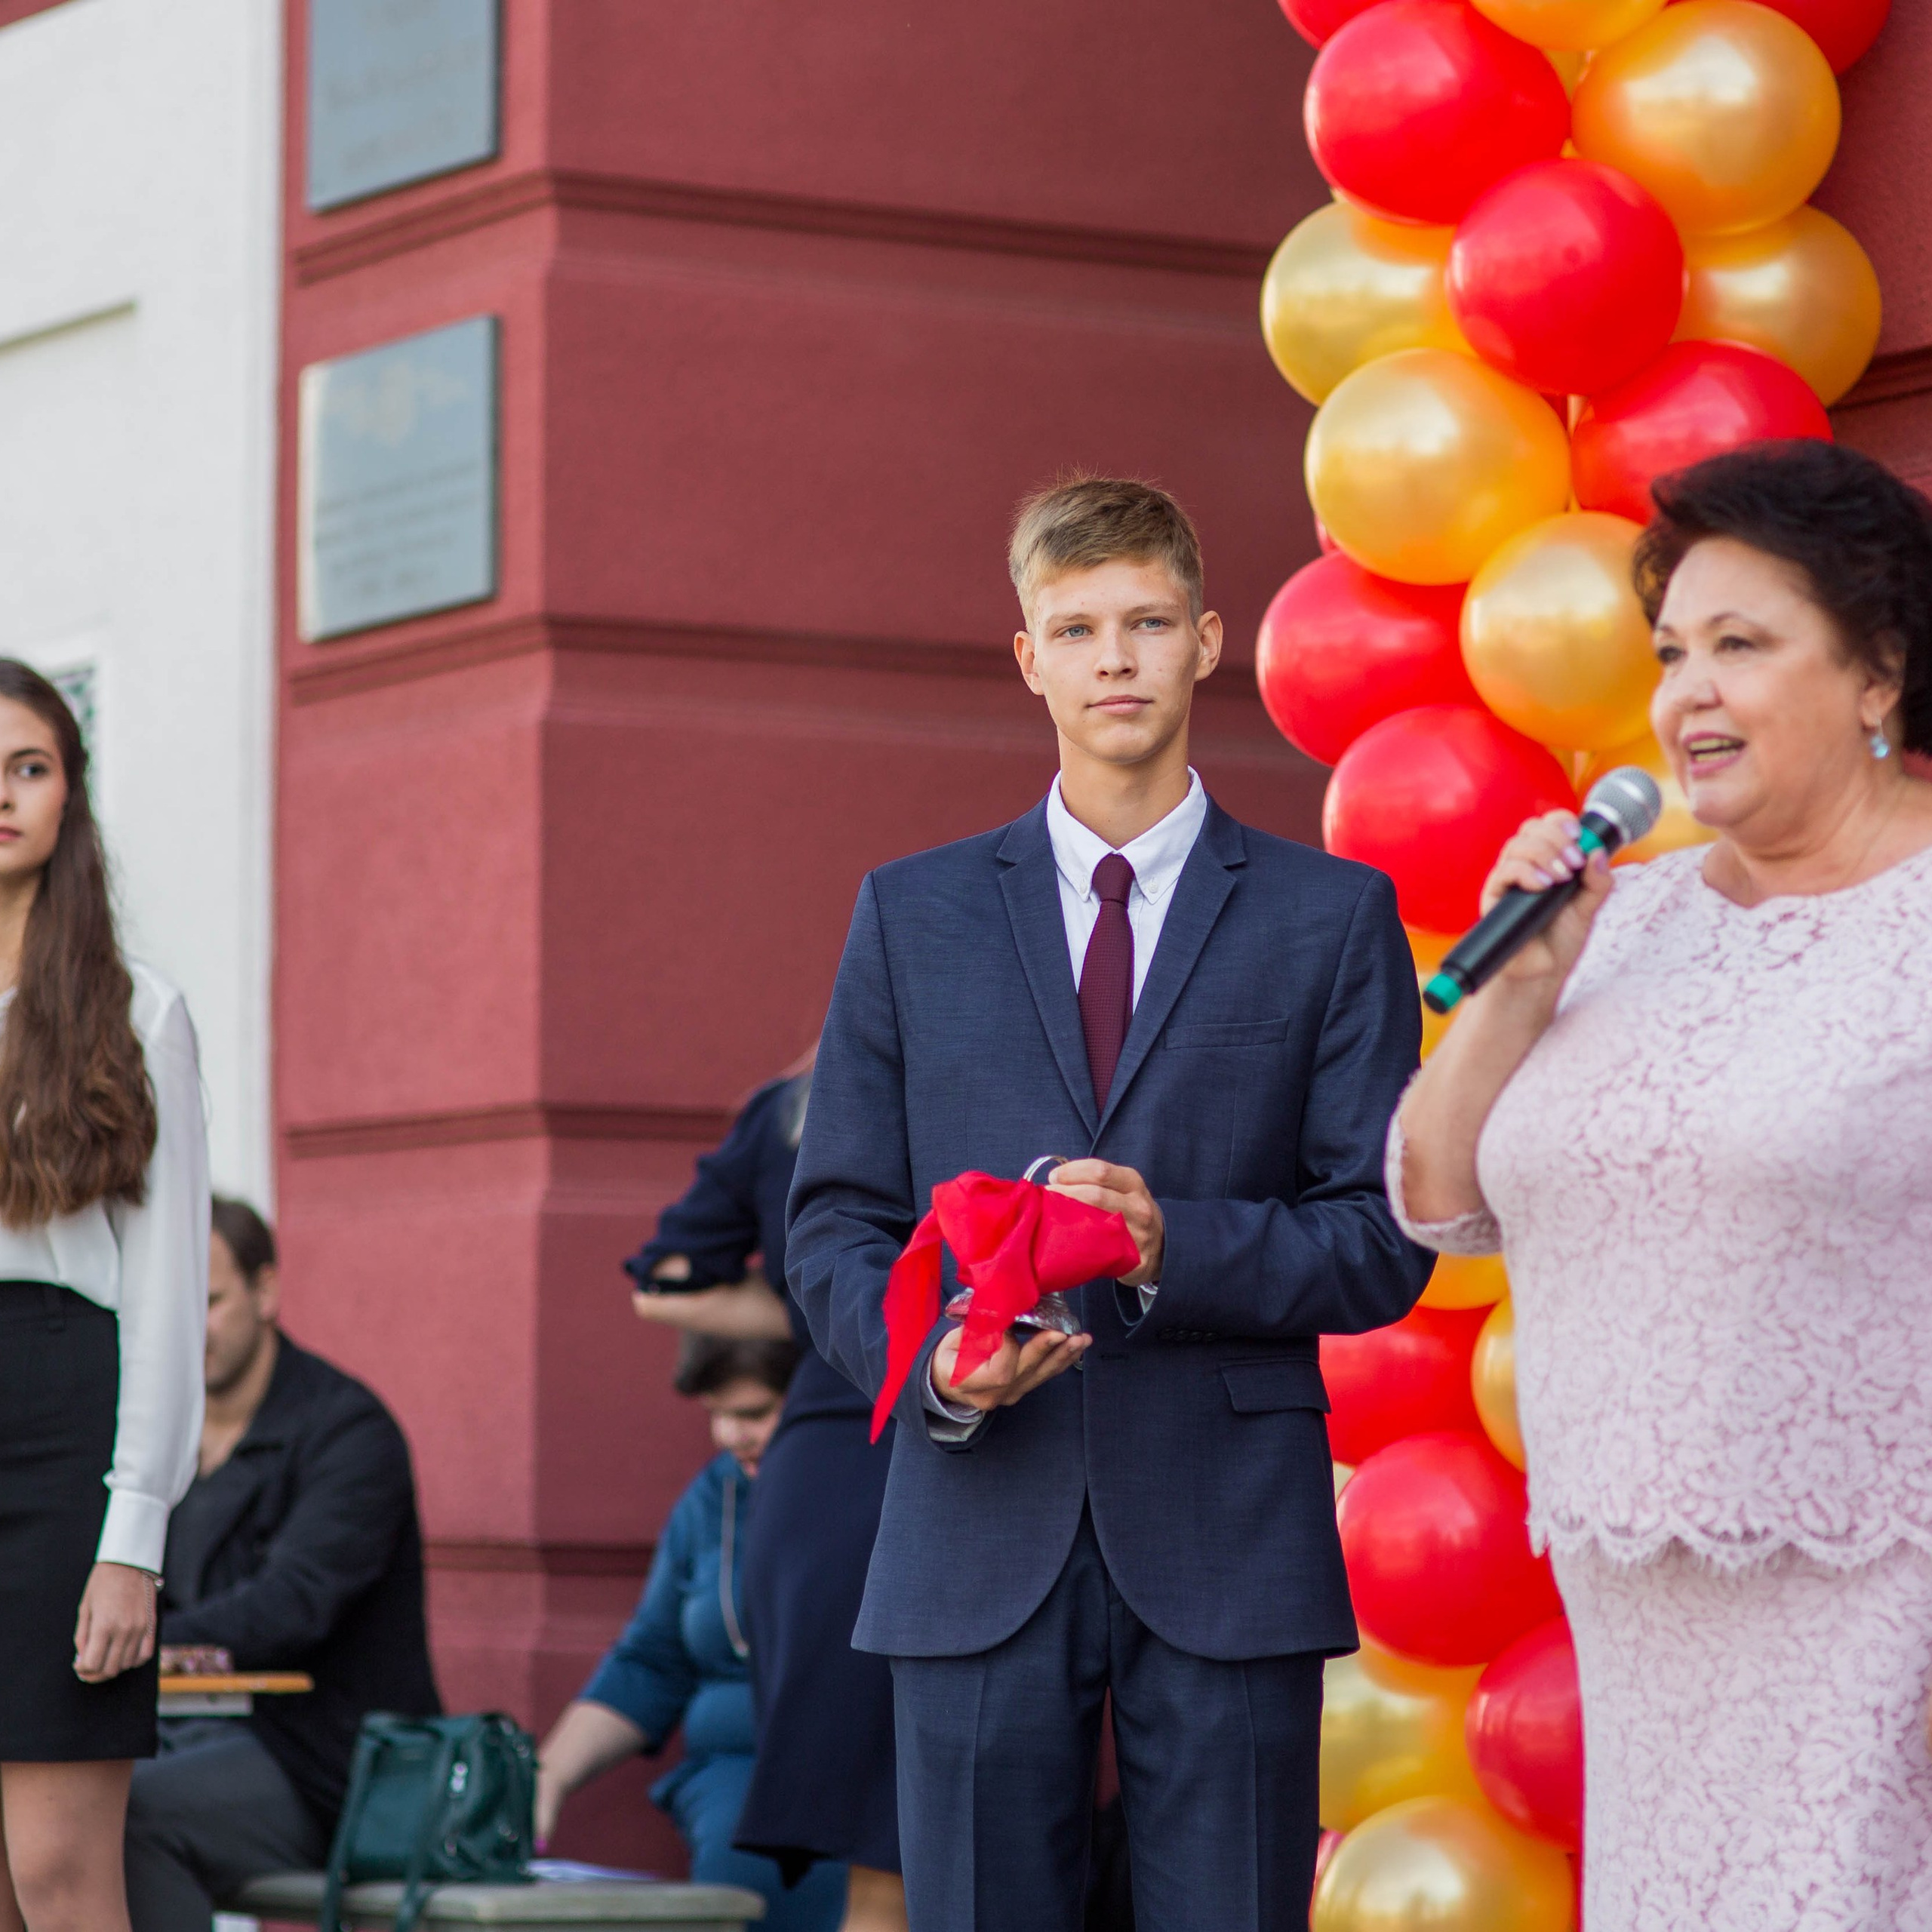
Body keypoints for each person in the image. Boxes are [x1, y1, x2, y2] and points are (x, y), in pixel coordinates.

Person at [789, 476, 1430, 1932]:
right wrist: (934, 1362)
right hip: (974, 1514)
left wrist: (1170, 1244)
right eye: (1077, 630)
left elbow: (1381, 1236)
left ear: (1208, 641)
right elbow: (833, 1223)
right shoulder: (911, 912)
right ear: (1030, 660)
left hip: (1230, 1531)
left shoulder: (1333, 918)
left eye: (1147, 622)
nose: (1115, 659)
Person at [1390, 439, 1932, 1929]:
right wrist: (1516, 991)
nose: (1687, 693)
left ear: (1879, 670)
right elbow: (1436, 1197)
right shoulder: (1616, 918)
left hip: (1882, 1622)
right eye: (1671, 652)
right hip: (1644, 1617)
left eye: (1739, 646)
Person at [0, 663, 209, 1932]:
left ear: (70, 794)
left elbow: (170, 1296)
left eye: (27, 767)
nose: (2, 796)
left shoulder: (138, 1010)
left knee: (60, 1875)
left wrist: (133, 1541)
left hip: (61, 1421)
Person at [628, 1057, 906, 1932]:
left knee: (883, 1865)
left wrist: (822, 1313)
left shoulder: (793, 1107)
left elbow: (665, 1281)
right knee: (930, 1851)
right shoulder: (1003, 1071)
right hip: (959, 1450)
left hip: (822, 1476)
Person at [123, 1197, 441, 1931]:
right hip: (177, 1732)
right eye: (169, 1308)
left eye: (208, 1303)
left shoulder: (348, 1429)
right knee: (44, 1801)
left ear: (265, 1291)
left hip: (325, 1762)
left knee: (130, 1816)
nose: (186, 1330)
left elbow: (294, 1602)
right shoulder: (150, 1437)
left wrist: (134, 1642)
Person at [536, 1334, 847, 1932]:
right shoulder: (714, 1495)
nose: (729, 1435)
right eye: (715, 1414)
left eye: (753, 1413)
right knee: (742, 1846)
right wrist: (548, 1776)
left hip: (855, 1766)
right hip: (735, 1770)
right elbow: (652, 1661)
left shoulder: (866, 1487)